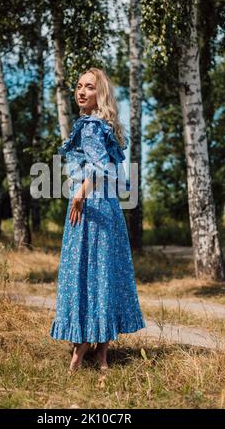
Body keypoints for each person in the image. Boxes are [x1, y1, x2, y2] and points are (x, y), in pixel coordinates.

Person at [50, 67, 146, 374]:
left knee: (84, 273)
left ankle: (79, 352)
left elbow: (101, 168)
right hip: (109, 209)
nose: (81, 92)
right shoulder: (105, 125)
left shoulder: (91, 126)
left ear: (99, 94)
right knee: (104, 274)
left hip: (89, 207)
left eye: (89, 87)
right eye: (78, 86)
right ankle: (101, 356)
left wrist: (80, 192)